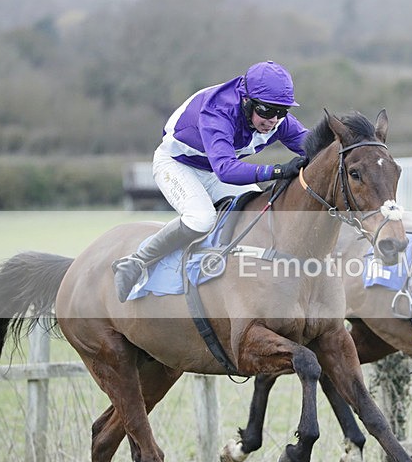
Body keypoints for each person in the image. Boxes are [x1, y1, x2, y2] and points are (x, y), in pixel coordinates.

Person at [113, 60, 309, 302]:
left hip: (214, 169)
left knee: (261, 216)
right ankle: (137, 261)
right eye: (267, 111)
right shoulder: (218, 111)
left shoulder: (276, 119)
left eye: (282, 111)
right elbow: (227, 170)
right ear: (246, 101)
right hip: (178, 165)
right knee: (201, 220)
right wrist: (277, 171)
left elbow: (314, 146)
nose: (273, 120)